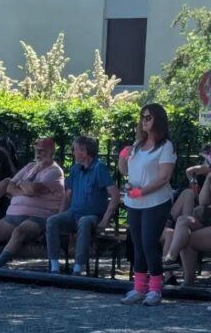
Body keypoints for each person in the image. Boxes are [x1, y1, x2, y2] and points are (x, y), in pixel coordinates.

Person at [0, 137, 64, 268]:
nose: (38, 153)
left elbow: (34, 189)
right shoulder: (30, 167)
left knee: (20, 231)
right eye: (36, 150)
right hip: (13, 215)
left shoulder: (54, 171)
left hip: (38, 217)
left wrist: (21, 185)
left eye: (42, 150)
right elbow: (9, 186)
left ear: (51, 152)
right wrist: (26, 189)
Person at [119, 103, 176, 305]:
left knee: (149, 243)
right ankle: (139, 287)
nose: (144, 121)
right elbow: (124, 171)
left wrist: (141, 191)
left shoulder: (166, 146)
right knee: (137, 244)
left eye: (149, 117)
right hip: (135, 202)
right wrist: (123, 155)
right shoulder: (137, 145)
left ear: (158, 120)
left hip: (155, 202)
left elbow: (163, 177)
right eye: (143, 117)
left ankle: (155, 289)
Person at [44, 136, 120, 274]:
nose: (73, 153)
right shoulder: (75, 169)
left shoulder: (99, 168)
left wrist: (105, 220)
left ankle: (78, 267)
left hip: (92, 216)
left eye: (75, 149)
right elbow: (67, 195)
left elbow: (115, 195)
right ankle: (54, 266)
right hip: (73, 214)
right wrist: (61, 214)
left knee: (84, 221)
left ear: (84, 152)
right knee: (52, 221)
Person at [163, 170, 211, 285]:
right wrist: (209, 178)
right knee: (183, 222)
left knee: (186, 239)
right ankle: (171, 258)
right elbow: (203, 201)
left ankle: (188, 283)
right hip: (206, 219)